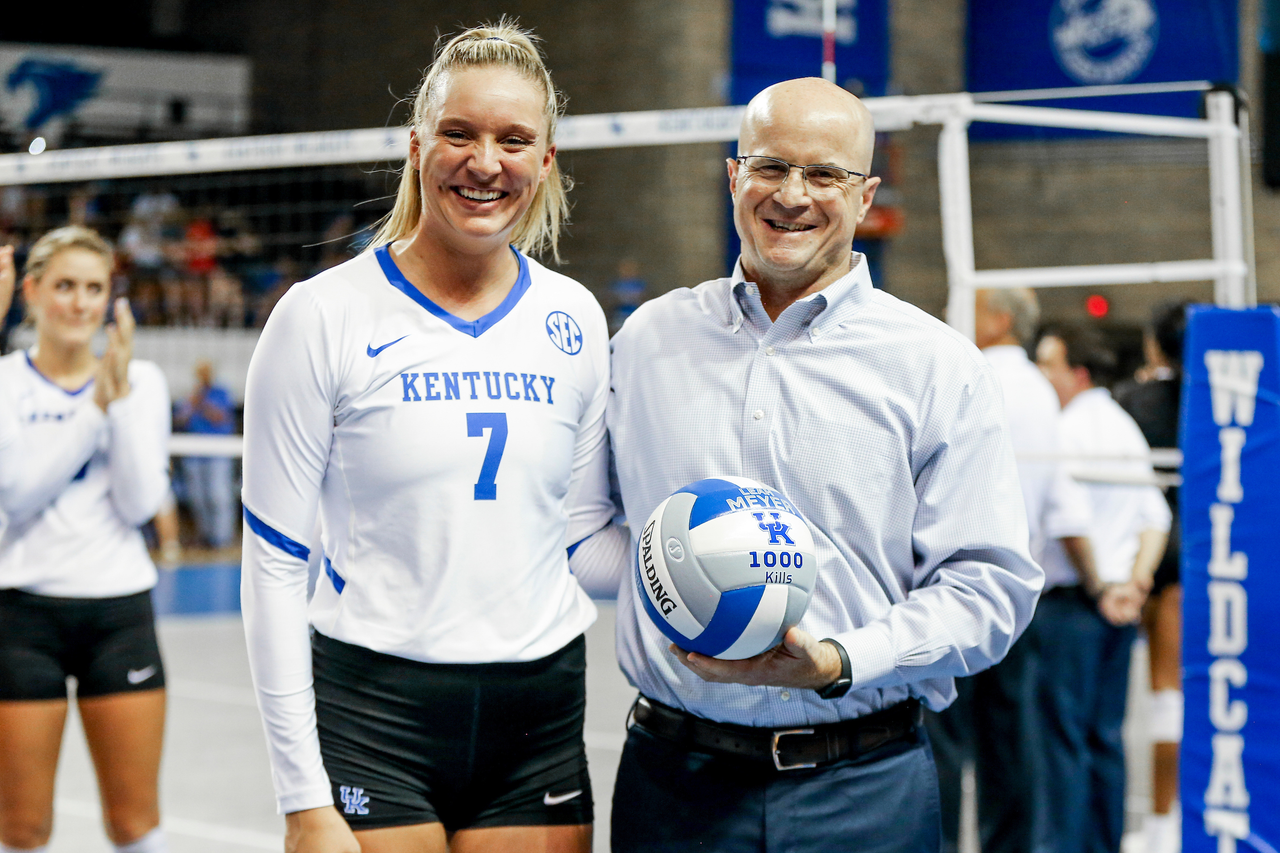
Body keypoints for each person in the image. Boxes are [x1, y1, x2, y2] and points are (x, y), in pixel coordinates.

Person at [606, 78, 1042, 853]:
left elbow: (990, 589)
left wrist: (840, 660)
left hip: (864, 785)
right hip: (675, 783)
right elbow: (590, 523)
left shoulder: (935, 365)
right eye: (770, 166)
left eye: (825, 175)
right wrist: (664, 582)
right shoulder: (647, 340)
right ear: (733, 174)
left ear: (867, 194)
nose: (793, 195)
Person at [240, 21, 622, 853]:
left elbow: (583, 542)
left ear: (546, 161)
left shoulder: (576, 318)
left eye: (514, 139)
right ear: (418, 146)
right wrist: (303, 799)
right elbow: (272, 559)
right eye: (461, 133)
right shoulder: (323, 315)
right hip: (376, 707)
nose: (486, 162)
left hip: (540, 712)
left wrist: (697, 568)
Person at [0, 226, 172, 853]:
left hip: (118, 612)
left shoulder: (141, 380)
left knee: (134, 823)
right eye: (65, 286)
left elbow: (139, 503)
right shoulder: (7, 382)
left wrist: (119, 400)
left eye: (94, 289)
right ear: (32, 292)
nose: (79, 303)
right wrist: (96, 410)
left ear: (110, 300)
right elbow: (16, 493)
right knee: (23, 829)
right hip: (23, 616)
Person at [925, 288, 1096, 853]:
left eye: (967, 308)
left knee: (944, 738)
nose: (954, 318)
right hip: (1021, 594)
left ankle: (942, 845)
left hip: (952, 584)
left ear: (998, 319)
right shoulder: (1043, 393)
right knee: (1008, 740)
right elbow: (1057, 498)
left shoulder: (967, 375)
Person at [1032, 324, 1171, 853]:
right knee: (1106, 739)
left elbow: (1071, 524)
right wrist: (1134, 586)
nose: (1043, 375)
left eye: (1050, 364)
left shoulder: (1066, 431)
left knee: (1062, 744)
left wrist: (1100, 588)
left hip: (1075, 608)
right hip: (1117, 611)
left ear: (1078, 373)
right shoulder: (1123, 426)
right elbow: (1155, 517)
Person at [1115, 302, 1187, 853]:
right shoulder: (1225, 401)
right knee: (1173, 698)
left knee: (1159, 697)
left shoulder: (1135, 400)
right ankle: (1164, 820)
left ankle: (1162, 823)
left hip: (1149, 557)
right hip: (1202, 555)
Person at [174, 359, 237, 548]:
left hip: (217, 451)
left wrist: (202, 403)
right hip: (194, 453)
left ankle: (222, 539)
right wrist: (192, 403)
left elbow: (221, 417)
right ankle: (206, 537)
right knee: (197, 497)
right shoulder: (191, 395)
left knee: (218, 496)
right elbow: (180, 420)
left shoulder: (221, 393)